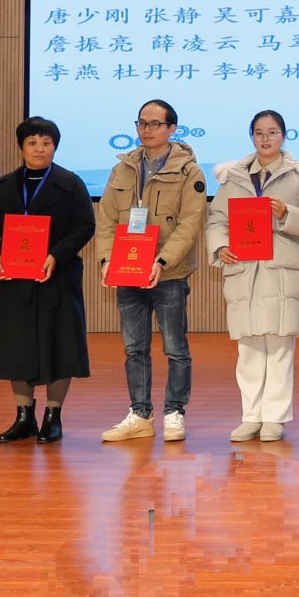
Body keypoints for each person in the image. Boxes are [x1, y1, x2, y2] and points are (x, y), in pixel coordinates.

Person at [206, 110, 299, 442]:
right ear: (252, 136)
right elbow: (216, 220)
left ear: (283, 136)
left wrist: (287, 213)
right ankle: (251, 416)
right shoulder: (233, 179)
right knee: (249, 348)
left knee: (279, 346)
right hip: (244, 271)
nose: (266, 138)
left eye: (272, 132)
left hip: (282, 272)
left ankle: (274, 417)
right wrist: (220, 247)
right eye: (259, 133)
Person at [94, 98, 206, 443]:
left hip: (167, 273)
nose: (147, 130)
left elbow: (190, 225)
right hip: (127, 270)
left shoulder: (188, 171)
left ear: (172, 129)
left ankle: (174, 412)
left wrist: (162, 261)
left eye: (155, 124)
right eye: (142, 123)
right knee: (134, 348)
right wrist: (106, 260)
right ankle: (140, 413)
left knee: (175, 347)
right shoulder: (123, 169)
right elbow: (106, 219)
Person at [0, 116, 95, 444]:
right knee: (17, 346)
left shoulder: (71, 184)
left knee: (60, 346)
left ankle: (53, 417)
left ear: (55, 147)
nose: (39, 148)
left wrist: (56, 255)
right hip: (14, 281)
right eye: (32, 143)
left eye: (46, 143)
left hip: (56, 278)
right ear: (21, 147)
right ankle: (24, 417)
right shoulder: (4, 186)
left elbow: (85, 226)